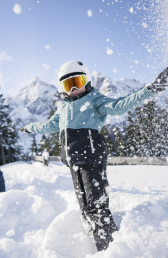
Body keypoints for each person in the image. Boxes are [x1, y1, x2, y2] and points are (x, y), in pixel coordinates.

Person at [19, 60, 168, 251]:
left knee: (97, 207)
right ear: (62, 88)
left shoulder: (95, 101)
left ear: (87, 82)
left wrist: (151, 89)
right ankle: (94, 241)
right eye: (68, 84)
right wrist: (29, 127)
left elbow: (120, 105)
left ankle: (110, 248)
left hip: (91, 160)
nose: (74, 88)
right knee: (85, 207)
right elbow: (48, 125)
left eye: (78, 82)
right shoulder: (63, 109)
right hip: (74, 164)